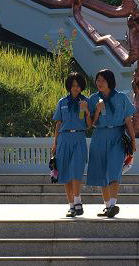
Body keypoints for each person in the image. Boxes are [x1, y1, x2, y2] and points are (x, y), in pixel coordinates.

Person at [86, 69, 136, 218]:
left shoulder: (121, 98)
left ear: (110, 82)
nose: (99, 83)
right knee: (101, 170)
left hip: (117, 135)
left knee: (114, 169)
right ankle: (107, 206)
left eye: (103, 80)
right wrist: (97, 111)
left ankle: (113, 204)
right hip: (99, 135)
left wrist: (133, 140)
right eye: (98, 80)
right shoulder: (93, 98)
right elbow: (91, 124)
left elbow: (128, 120)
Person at [52, 72, 91, 217]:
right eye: (73, 85)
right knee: (65, 173)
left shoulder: (85, 101)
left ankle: (78, 200)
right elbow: (58, 123)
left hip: (79, 137)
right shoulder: (62, 102)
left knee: (76, 169)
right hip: (64, 138)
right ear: (69, 86)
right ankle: (71, 206)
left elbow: (89, 125)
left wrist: (86, 110)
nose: (75, 88)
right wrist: (55, 142)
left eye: (78, 86)